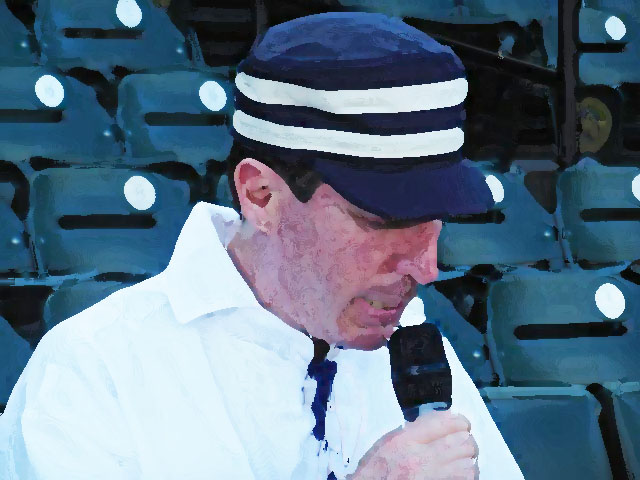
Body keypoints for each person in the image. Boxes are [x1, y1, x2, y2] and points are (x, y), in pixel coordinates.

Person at [0, 12, 524, 480]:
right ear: (261, 196)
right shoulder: (95, 369)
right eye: (382, 222)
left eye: (435, 223)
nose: (427, 270)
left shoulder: (412, 340)